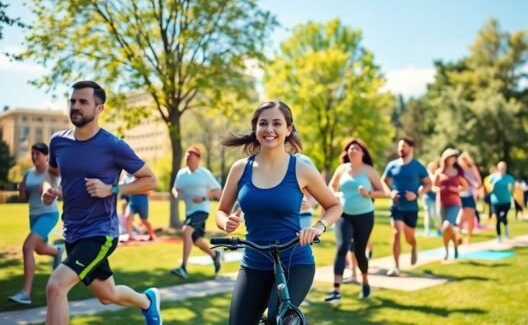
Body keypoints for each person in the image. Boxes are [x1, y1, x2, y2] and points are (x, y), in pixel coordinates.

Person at [41, 81, 160, 325]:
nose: (76, 106)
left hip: (100, 233)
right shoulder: (58, 142)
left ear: (99, 109)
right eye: (73, 101)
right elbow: (52, 171)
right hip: (72, 232)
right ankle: (148, 302)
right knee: (108, 295)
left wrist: (112, 189)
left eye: (83, 102)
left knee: (56, 286)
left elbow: (150, 180)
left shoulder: (113, 145)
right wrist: (48, 188)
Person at [215, 100, 342, 324]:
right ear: (256, 129)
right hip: (253, 263)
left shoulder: (301, 169)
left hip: (294, 261)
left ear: (288, 129)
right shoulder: (240, 168)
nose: (269, 129)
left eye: (277, 123)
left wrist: (316, 228)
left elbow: (334, 206)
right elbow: (221, 211)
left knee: (278, 319)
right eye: (263, 123)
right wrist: (226, 222)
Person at [325, 138, 385, 302]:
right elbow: (331, 186)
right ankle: (335, 289)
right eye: (350, 149)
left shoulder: (369, 170)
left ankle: (365, 281)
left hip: (365, 215)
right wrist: (335, 195)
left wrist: (369, 193)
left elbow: (383, 192)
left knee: (359, 251)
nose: (352, 151)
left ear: (362, 153)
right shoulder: (342, 169)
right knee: (342, 246)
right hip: (344, 214)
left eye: (356, 148)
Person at [8, 142, 64, 305]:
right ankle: (57, 251)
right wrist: (22, 191)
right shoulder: (28, 174)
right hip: (33, 215)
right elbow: (23, 198)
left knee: (27, 247)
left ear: (47, 156)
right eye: (32, 154)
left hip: (49, 214)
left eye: (37, 154)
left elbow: (60, 192)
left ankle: (26, 293)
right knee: (39, 249)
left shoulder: (52, 172)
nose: (34, 157)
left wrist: (49, 189)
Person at [381, 137, 432, 277]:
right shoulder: (392, 165)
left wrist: (417, 194)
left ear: (411, 148)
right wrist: (390, 192)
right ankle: (396, 266)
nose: (401, 149)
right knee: (396, 233)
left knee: (410, 237)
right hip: (396, 206)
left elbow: (429, 184)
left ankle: (414, 246)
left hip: (411, 208)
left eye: (403, 146)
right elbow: (383, 181)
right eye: (399, 146)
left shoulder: (418, 166)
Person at [170, 146, 223, 279]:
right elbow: (175, 188)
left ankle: (183, 268)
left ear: (198, 159)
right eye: (186, 157)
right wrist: (177, 194)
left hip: (202, 210)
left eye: (191, 157)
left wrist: (204, 198)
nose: (188, 159)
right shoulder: (182, 174)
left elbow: (218, 190)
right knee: (197, 240)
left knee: (186, 231)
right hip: (189, 211)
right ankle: (215, 255)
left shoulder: (205, 174)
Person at [433, 148, 467, 259]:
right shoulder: (439, 172)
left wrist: (455, 189)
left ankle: (455, 242)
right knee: (445, 230)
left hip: (454, 203)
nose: (452, 160)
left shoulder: (457, 172)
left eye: (454, 158)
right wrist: (439, 189)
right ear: (445, 159)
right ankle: (448, 250)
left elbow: (465, 187)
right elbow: (433, 186)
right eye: (450, 158)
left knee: (447, 225)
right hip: (442, 203)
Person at [122, 173, 156, 241]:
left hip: (142, 202)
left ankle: (151, 234)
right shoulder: (127, 177)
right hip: (132, 202)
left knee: (144, 220)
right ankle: (130, 236)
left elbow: (148, 192)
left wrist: (135, 190)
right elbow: (123, 187)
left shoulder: (143, 179)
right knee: (128, 217)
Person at [456, 152, 482, 243]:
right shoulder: (458, 171)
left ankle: (468, 238)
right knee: (460, 217)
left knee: (470, 217)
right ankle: (458, 236)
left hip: (470, 195)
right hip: (459, 195)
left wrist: (473, 184)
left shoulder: (472, 168)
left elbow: (479, 183)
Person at [488, 162, 515, 243]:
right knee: (498, 219)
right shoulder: (493, 177)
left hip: (506, 201)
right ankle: (499, 236)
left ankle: (506, 227)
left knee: (502, 216)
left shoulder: (509, 178)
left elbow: (512, 187)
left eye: (504, 168)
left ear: (505, 168)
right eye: (501, 168)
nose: (502, 169)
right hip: (495, 202)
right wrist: (492, 186)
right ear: (498, 168)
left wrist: (511, 194)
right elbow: (489, 189)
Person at [423, 161, 440, 235]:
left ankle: (439, 229)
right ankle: (427, 230)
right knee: (427, 213)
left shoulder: (436, 175)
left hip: (434, 197)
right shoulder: (427, 175)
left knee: (434, 214)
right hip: (427, 196)